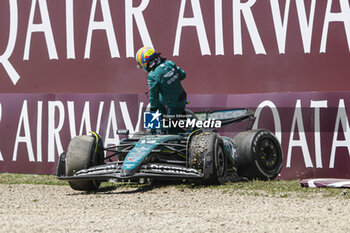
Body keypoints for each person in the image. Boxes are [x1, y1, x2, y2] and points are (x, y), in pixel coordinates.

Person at [136, 47, 187, 122]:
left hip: (173, 104)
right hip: (182, 97)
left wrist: (152, 110)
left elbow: (153, 96)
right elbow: (183, 75)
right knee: (160, 100)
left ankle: (165, 122)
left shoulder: (152, 75)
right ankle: (165, 119)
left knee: (171, 132)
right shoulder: (169, 63)